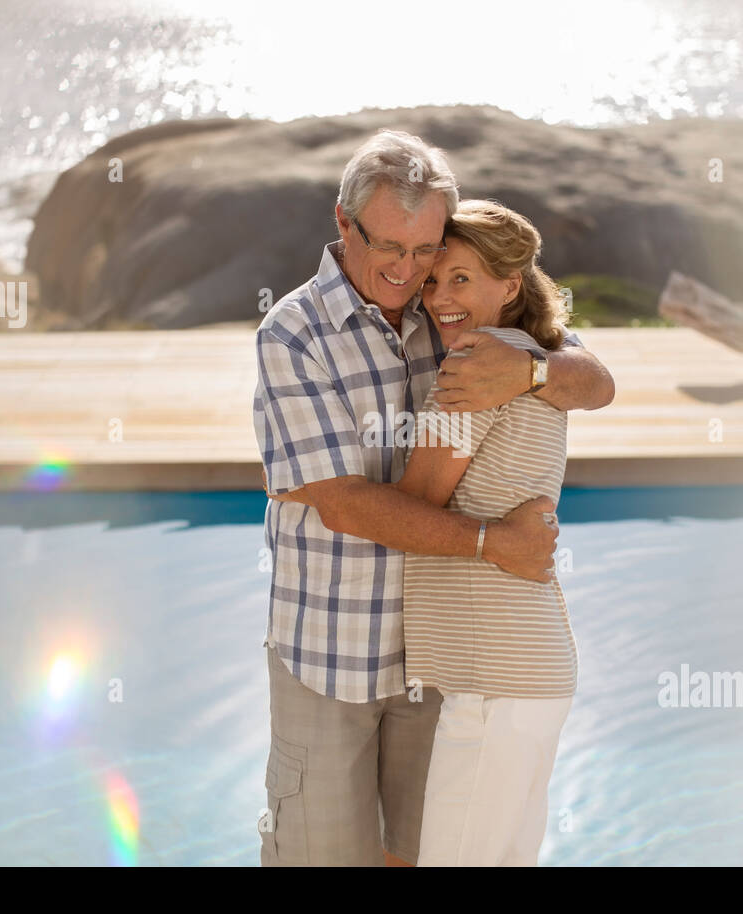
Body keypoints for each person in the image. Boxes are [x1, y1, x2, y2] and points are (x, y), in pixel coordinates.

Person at [253, 129, 614, 867]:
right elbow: (347, 503)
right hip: (335, 656)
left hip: (441, 668)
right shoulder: (293, 333)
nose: (410, 271)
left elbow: (597, 380)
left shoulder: (460, 321)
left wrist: (535, 373)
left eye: (427, 252)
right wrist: (491, 542)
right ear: (343, 224)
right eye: (391, 247)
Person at [394, 199, 577, 865]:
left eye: (462, 279)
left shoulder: (472, 367)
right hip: (529, 671)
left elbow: (412, 508)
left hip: (492, 681)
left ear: (510, 285)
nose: (441, 297)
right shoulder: (536, 357)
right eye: (434, 281)